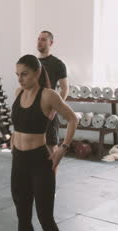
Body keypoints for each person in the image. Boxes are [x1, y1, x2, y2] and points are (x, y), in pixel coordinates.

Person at [11, 54, 78, 231]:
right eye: (17, 75)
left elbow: (73, 118)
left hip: (40, 163)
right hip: (19, 162)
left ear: (37, 73)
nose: (20, 79)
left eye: (24, 74)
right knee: (22, 217)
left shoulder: (48, 95)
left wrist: (63, 148)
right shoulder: (17, 92)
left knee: (45, 218)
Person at [37, 30, 70, 171]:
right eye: (38, 39)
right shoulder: (34, 63)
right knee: (36, 148)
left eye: (43, 39)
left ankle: (51, 186)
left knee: (52, 150)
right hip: (35, 111)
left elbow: (65, 89)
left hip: (49, 111)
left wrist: (55, 109)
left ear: (51, 43)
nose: (39, 41)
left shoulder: (58, 64)